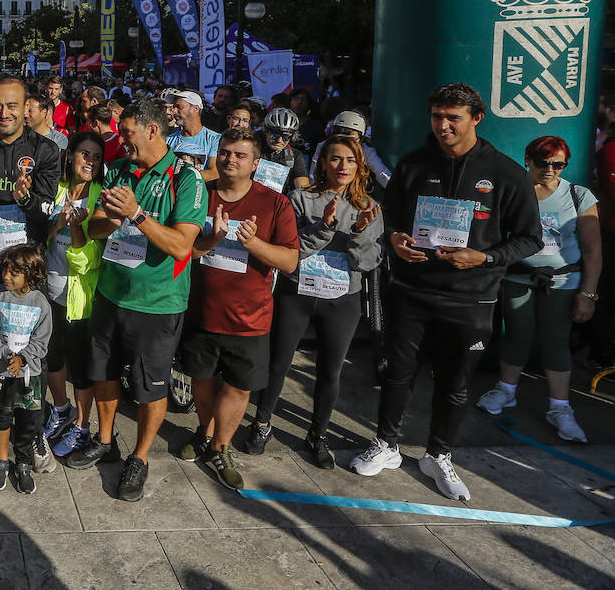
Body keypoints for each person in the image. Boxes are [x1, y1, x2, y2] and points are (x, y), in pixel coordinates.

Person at [351, 82, 542, 501]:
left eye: (452, 118)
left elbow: (530, 239)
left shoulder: (507, 173)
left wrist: (486, 258)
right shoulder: (414, 164)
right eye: (437, 116)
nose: (443, 126)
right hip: (411, 290)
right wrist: (396, 239)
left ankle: (439, 454)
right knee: (397, 374)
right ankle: (386, 444)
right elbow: (393, 215)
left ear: (476, 118)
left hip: (471, 298)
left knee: (454, 383)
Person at [65, 98, 207, 504]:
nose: (120, 141)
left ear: (151, 130)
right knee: (103, 372)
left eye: (126, 133)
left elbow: (182, 247)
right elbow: (96, 229)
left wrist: (137, 214)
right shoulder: (123, 169)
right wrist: (108, 218)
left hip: (157, 304)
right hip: (111, 294)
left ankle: (140, 457)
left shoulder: (187, 179)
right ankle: (105, 440)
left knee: (149, 388)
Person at [248, 135, 384, 468]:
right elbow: (290, 251)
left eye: (350, 161)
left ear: (359, 166)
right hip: (297, 294)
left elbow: (367, 263)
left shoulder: (369, 207)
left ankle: (317, 434)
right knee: (278, 362)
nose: (343, 167)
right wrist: (324, 226)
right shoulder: (298, 199)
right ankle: (262, 423)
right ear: (322, 162)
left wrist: (357, 233)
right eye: (335, 159)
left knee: (330, 371)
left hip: (342, 300)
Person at [176, 129, 299, 491]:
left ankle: (220, 447)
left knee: (238, 387)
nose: (231, 160)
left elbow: (290, 262)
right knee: (201, 380)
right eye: (226, 153)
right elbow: (183, 247)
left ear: (256, 163)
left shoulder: (275, 203)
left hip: (250, 319)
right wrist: (211, 238)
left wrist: (254, 243)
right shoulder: (200, 194)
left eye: (240, 155)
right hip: (201, 312)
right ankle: (204, 432)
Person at [0, 78, 62, 469]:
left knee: (32, 351)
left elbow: (47, 209)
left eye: (12, 106)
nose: (3, 114)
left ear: (27, 107)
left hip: (27, 272)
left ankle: (32, 435)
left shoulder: (45, 150)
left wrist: (23, 198)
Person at [476, 135, 600, 443]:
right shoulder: (514, 191)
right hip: (517, 276)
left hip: (562, 280)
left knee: (556, 340)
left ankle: (560, 408)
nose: (550, 169)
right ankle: (506, 390)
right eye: (543, 162)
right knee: (516, 334)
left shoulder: (578, 195)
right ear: (528, 161)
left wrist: (587, 294)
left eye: (558, 164)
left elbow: (593, 251)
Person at [41, 133, 105, 460]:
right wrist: (58, 222)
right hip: (49, 289)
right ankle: (61, 409)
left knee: (80, 365)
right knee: (52, 357)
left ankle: (82, 426)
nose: (89, 162)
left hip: (79, 296)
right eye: (84, 154)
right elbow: (42, 236)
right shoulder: (58, 190)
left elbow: (91, 258)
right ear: (71, 156)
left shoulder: (100, 196)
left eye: (96, 156)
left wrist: (77, 229)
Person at [0, 244, 52, 493]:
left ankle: (22, 463)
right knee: (0, 418)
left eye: (13, 273)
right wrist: (6, 355)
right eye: (5, 270)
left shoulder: (41, 303)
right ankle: (1, 460)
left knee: (27, 421)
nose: (5, 276)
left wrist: (23, 358)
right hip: (0, 372)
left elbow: (42, 341)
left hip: (30, 376)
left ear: (31, 274)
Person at [309, 110, 392, 188]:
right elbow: (314, 175)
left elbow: (383, 174)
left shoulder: (366, 151)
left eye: (351, 140)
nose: (345, 144)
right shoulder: (324, 146)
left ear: (361, 139)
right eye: (340, 138)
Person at [166, 91, 220, 181]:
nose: (174, 111)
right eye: (173, 107)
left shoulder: (215, 139)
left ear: (195, 109)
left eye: (179, 107)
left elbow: (214, 173)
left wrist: (182, 177)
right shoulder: (168, 140)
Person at [256, 107, 312, 194]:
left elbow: (302, 186)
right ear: (265, 131)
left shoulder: (294, 156)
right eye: (274, 134)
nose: (279, 140)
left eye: (286, 137)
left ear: (292, 137)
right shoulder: (253, 149)